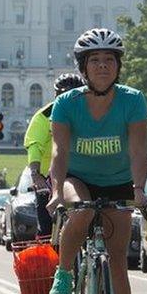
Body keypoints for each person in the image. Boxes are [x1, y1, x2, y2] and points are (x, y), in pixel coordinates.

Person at [46, 28, 147, 294]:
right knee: (80, 212)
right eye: (95, 61)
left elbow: (138, 150)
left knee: (117, 261)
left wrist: (139, 189)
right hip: (78, 179)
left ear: (118, 66)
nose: (102, 66)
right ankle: (64, 273)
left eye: (109, 60)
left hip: (118, 181)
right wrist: (55, 192)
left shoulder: (132, 100)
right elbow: (59, 152)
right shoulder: (66, 103)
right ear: (83, 67)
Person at [23, 72, 86, 236]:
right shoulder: (44, 116)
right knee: (46, 230)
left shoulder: (90, 114)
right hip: (48, 179)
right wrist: (36, 175)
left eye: (75, 96)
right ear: (56, 96)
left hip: (81, 173)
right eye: (64, 96)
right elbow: (34, 145)